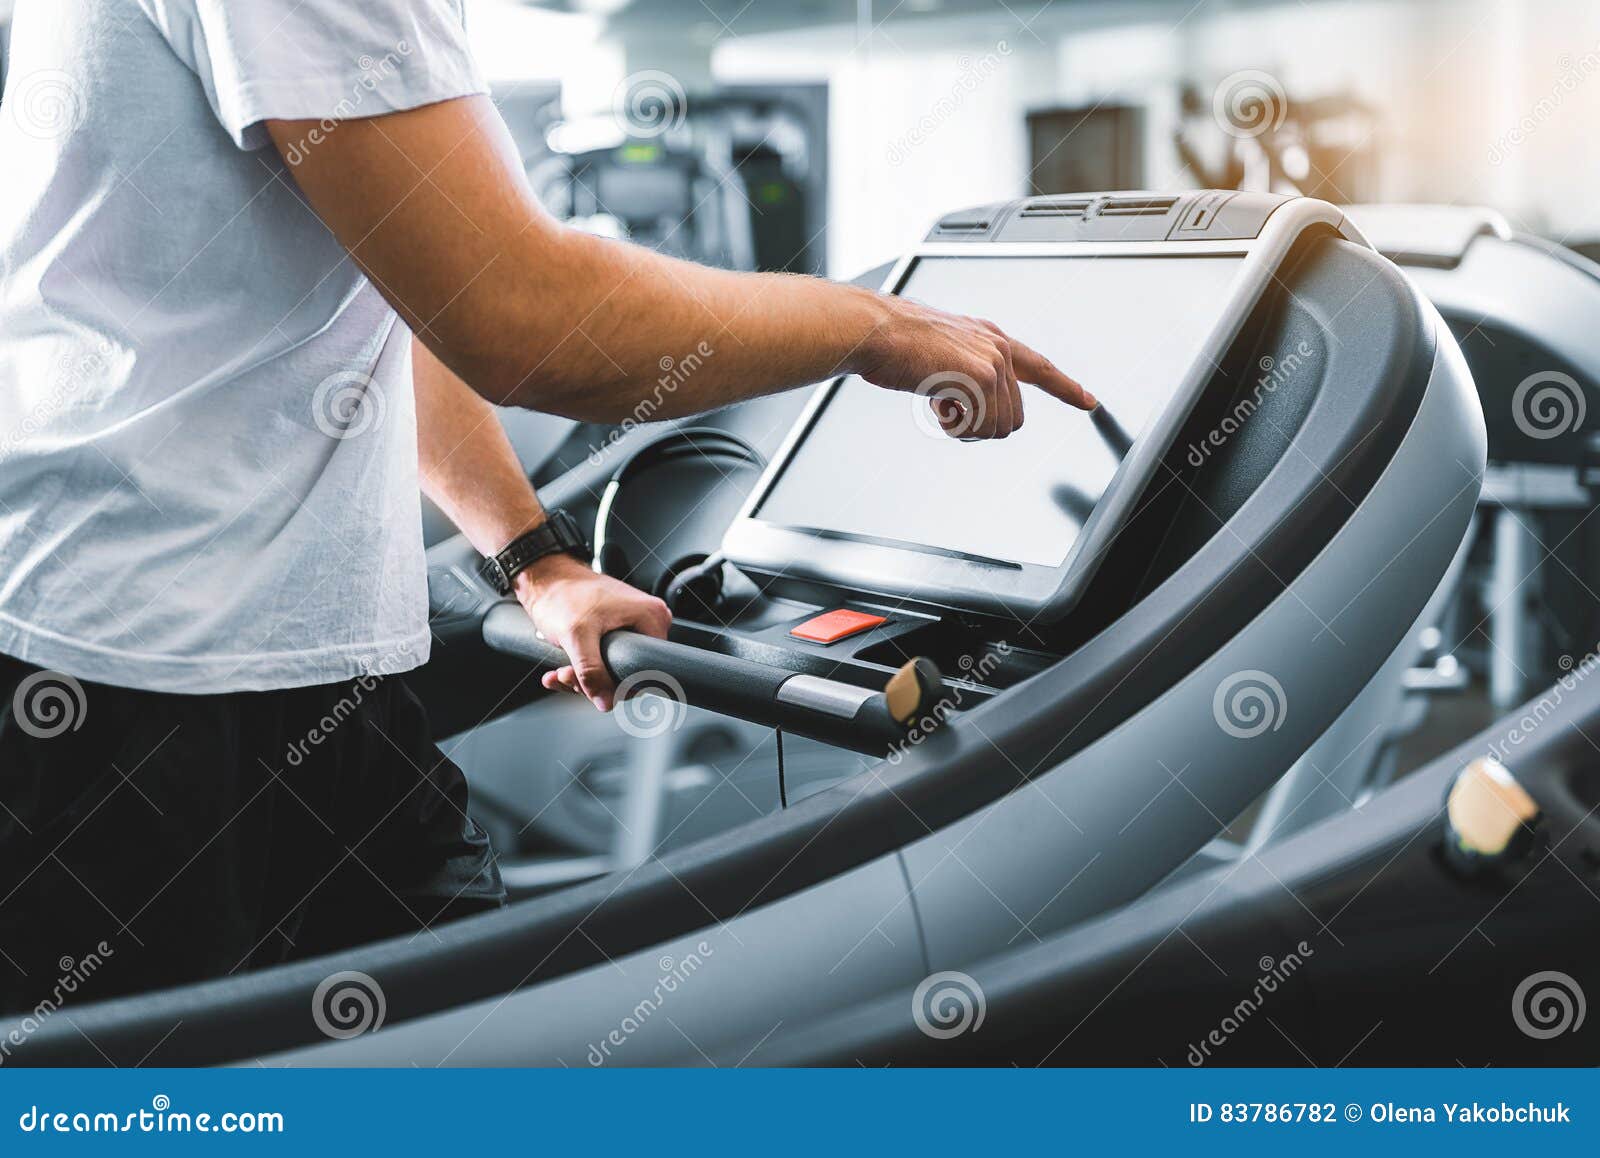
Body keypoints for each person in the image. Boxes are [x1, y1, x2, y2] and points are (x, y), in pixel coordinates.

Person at [0, 0, 1092, 1014]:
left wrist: (536, 560)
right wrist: (872, 326)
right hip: (135, 688)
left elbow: (396, 294)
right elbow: (519, 315)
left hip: (278, 676)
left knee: (464, 1049)